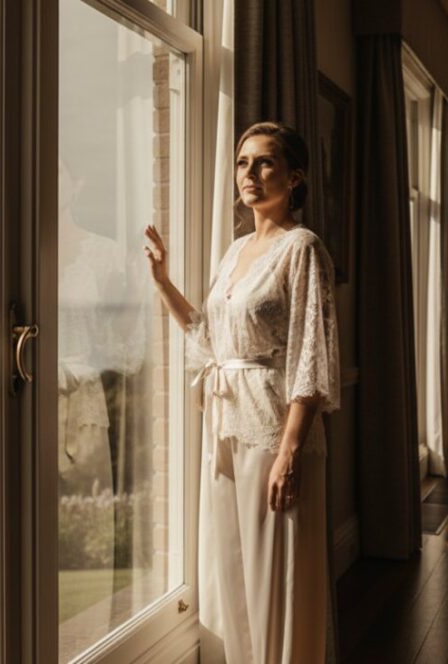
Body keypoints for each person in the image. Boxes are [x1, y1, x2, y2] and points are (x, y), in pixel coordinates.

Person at [142, 121, 341, 663]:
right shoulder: (234, 253)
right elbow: (210, 336)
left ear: (295, 176)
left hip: (274, 427)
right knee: (229, 564)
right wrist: (163, 282)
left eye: (265, 162)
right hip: (225, 421)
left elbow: (310, 357)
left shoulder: (303, 249)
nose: (249, 174)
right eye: (242, 162)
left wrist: (290, 451)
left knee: (276, 568)